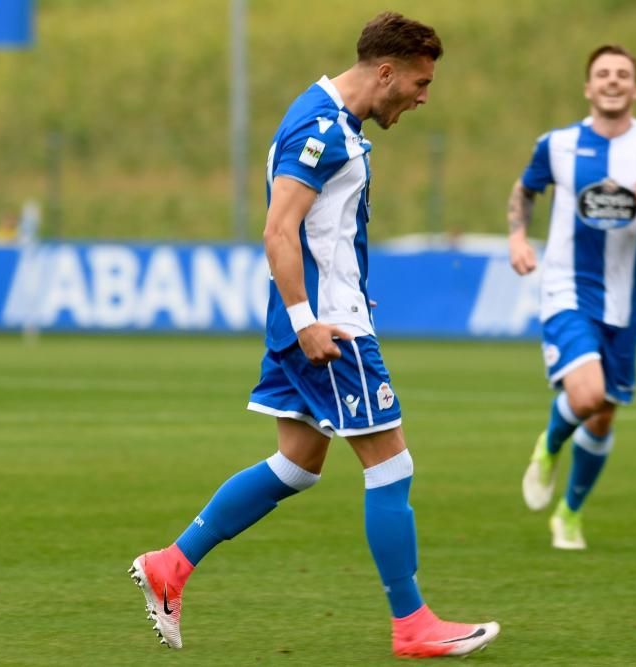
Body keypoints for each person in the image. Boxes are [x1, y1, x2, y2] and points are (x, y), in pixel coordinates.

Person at [129, 12, 499, 658]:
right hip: (328, 330)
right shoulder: (322, 129)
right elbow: (279, 229)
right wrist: (309, 320)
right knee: (393, 466)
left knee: (296, 466)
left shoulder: (322, 113)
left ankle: (172, 563)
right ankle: (412, 623)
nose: (423, 96)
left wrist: (339, 287)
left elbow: (317, 230)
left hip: (321, 313)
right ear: (385, 71)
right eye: (418, 82)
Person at [507, 44, 636, 550]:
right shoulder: (558, 144)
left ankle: (569, 512)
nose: (612, 81)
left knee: (604, 412)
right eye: (603, 74)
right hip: (567, 288)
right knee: (584, 396)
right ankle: (548, 445)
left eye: (622, 74)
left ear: (635, 88)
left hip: (624, 303)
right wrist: (518, 237)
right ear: (588, 87)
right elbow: (525, 190)